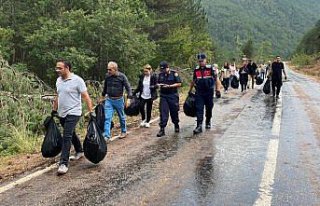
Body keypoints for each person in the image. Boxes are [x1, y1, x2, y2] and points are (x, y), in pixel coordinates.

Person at [52, 59, 94, 175]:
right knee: (71, 133)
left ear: (67, 68)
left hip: (74, 112)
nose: (57, 70)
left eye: (60, 68)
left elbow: (86, 97)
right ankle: (80, 150)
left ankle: (63, 163)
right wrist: (54, 110)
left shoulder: (77, 80)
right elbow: (58, 96)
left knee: (66, 136)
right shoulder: (58, 81)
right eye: (57, 68)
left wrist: (91, 111)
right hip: (62, 112)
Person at [189, 53, 220, 134]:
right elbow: (193, 81)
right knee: (199, 108)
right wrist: (190, 90)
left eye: (202, 61)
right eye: (199, 61)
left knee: (209, 108)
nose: (201, 62)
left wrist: (218, 90)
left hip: (209, 92)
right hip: (199, 92)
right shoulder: (196, 70)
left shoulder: (210, 69)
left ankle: (208, 120)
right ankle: (199, 125)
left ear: (206, 60)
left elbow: (217, 80)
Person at [101, 61, 132, 140]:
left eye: (110, 70)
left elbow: (128, 88)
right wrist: (102, 96)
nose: (108, 71)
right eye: (107, 69)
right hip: (109, 100)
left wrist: (129, 99)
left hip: (119, 100)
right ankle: (106, 135)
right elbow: (105, 87)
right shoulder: (107, 76)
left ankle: (123, 131)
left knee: (121, 117)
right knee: (107, 118)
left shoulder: (122, 77)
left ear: (115, 69)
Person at [156, 61, 182, 137]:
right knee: (163, 112)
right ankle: (162, 129)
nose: (162, 71)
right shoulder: (160, 75)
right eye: (161, 69)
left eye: (163, 69)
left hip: (172, 95)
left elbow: (179, 83)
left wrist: (170, 86)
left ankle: (176, 124)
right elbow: (157, 83)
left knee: (174, 111)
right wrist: (158, 85)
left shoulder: (174, 74)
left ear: (167, 67)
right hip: (164, 95)